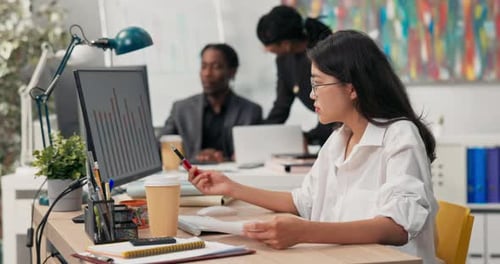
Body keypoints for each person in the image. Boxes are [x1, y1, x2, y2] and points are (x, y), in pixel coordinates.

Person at [188, 30, 438, 263]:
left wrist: (306, 231)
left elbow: (396, 227)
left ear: (351, 88)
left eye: (317, 84)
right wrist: (231, 187)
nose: (312, 94)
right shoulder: (339, 139)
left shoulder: (400, 136)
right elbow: (303, 202)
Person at [160, 43, 262, 163]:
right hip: (191, 176)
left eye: (216, 67)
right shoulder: (181, 109)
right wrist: (196, 158)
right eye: (204, 66)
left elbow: (256, 154)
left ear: (232, 72)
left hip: (234, 178)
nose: (207, 73)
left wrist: (224, 158)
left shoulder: (250, 111)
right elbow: (161, 147)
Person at [257, 5, 339, 146]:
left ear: (286, 44)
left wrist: (310, 136)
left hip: (343, 129)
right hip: (327, 132)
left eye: (268, 45)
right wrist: (259, 136)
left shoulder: (327, 51)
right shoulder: (284, 61)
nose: (265, 50)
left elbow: (336, 106)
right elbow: (281, 106)